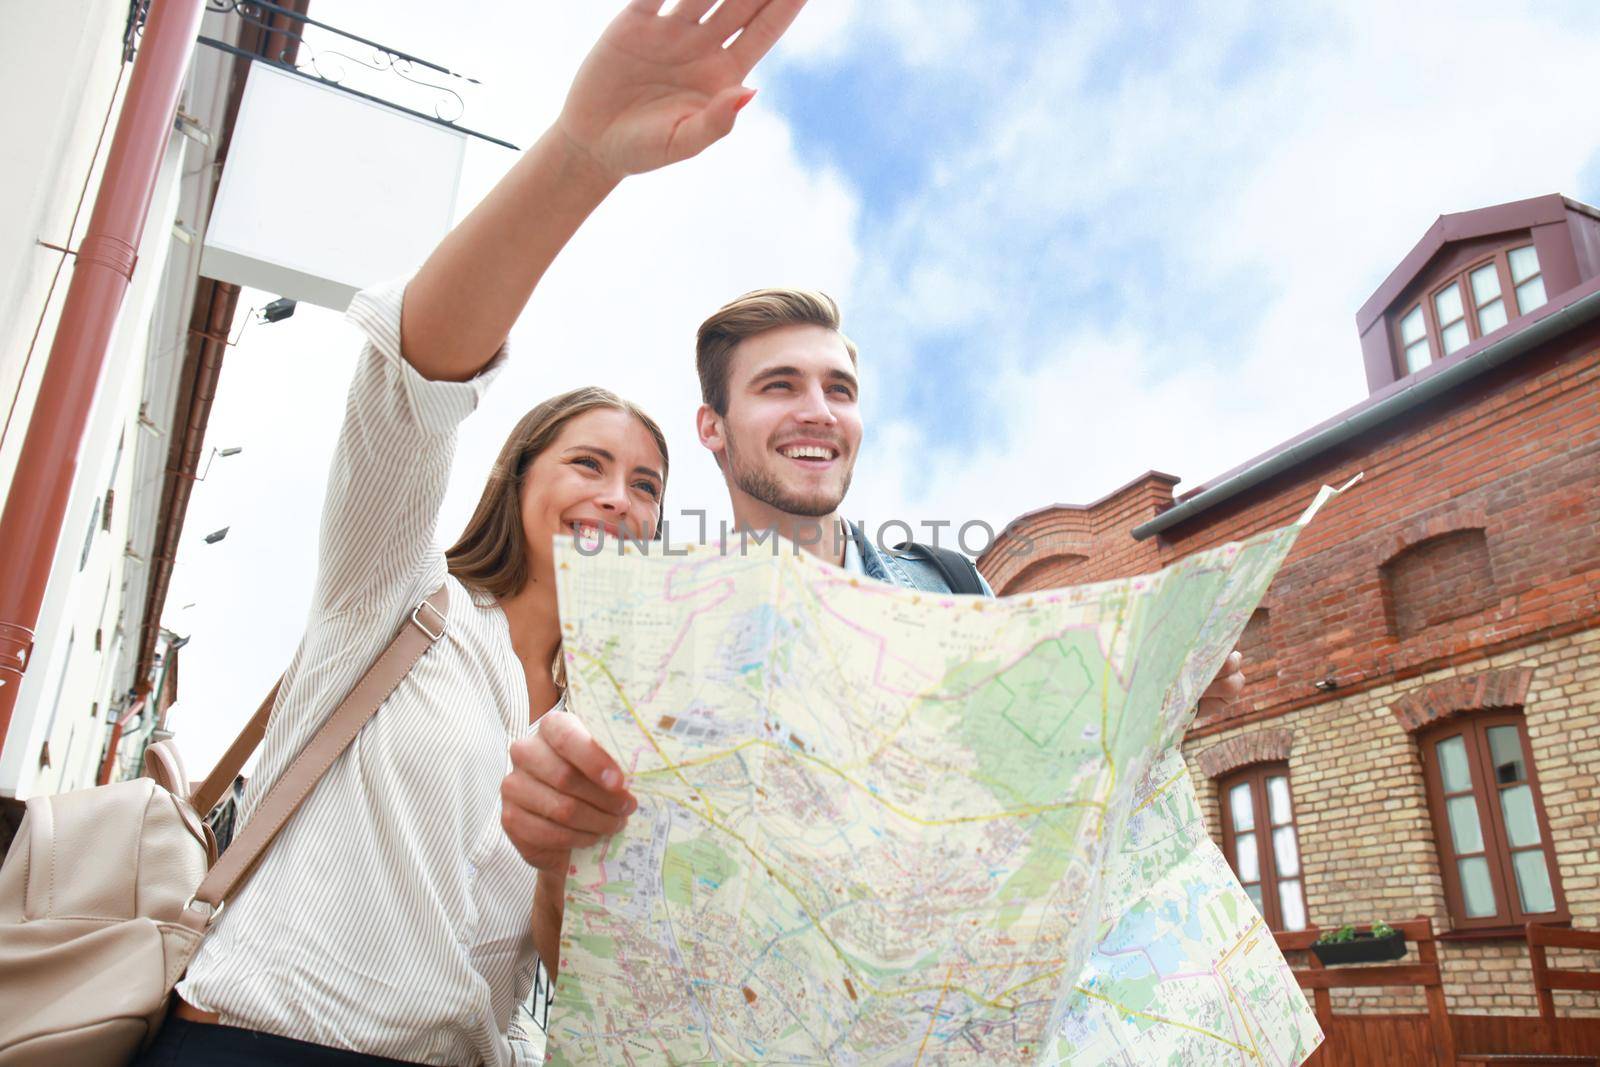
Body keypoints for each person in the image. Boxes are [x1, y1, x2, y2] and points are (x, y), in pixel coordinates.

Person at [137, 2, 809, 1064]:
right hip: (262, 1040)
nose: (617, 498)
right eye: (587, 463)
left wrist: (563, 862)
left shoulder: (620, 721)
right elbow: (414, 368)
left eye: (645, 483)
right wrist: (583, 155)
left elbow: (579, 965)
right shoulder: (399, 595)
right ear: (516, 478)